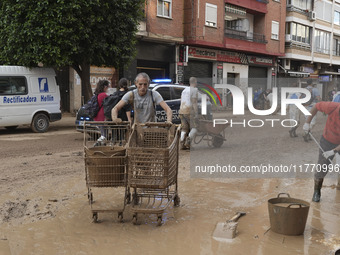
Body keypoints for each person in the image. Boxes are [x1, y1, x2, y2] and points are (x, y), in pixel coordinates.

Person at [303, 101, 340, 202]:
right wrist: (307, 122)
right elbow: (316, 106)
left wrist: (334, 151)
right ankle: (317, 190)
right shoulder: (332, 107)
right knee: (322, 167)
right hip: (327, 140)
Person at [179, 77, 199, 150]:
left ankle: (182, 143)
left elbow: (181, 100)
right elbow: (194, 102)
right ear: (195, 82)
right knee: (195, 127)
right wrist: (196, 113)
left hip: (181, 111)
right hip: (189, 111)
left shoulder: (184, 90)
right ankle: (188, 142)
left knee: (184, 128)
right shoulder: (194, 90)